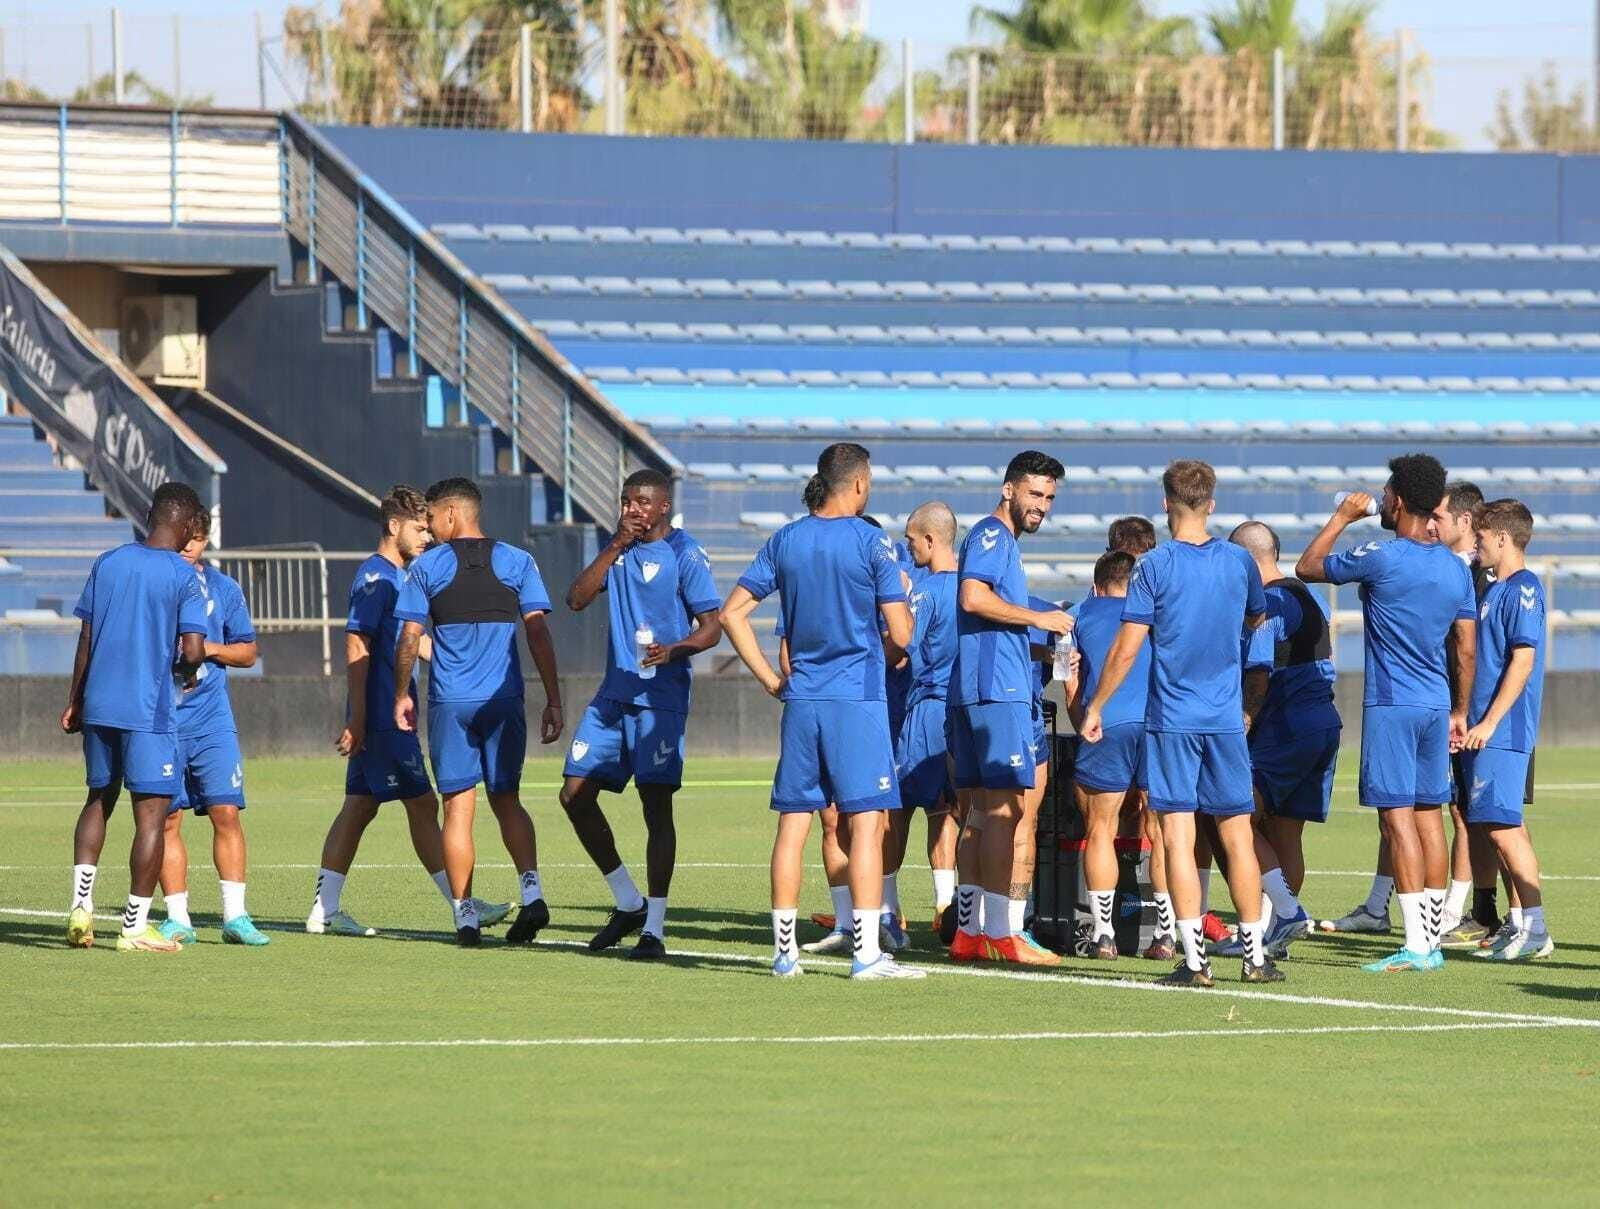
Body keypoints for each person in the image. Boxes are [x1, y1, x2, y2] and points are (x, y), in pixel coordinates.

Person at [719, 442, 923, 980]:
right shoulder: (870, 541)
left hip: (802, 699)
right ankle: (866, 953)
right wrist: (901, 611)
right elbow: (901, 634)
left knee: (793, 824)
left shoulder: (785, 539)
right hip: (856, 699)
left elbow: (732, 613)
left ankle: (784, 954)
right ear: (858, 483)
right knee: (865, 824)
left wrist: (770, 679)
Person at [1081, 460, 1280, 986]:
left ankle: (1195, 962)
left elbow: (1127, 648)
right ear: (1211, 504)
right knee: (1237, 833)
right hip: (1224, 718)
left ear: (1166, 503)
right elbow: (1257, 617)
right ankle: (1255, 957)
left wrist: (1098, 703)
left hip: (1173, 718)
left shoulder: (1154, 567)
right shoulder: (1239, 562)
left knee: (1178, 833)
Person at [1298, 453, 1475, 973]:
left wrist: (1342, 517)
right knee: (1429, 819)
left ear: (1398, 500)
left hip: (1392, 704)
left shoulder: (1381, 554)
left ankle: (1418, 946)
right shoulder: (1453, 566)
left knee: (1396, 820)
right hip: (1436, 702)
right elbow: (1465, 647)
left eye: (1386, 491)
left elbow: (1307, 568)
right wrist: (1460, 709)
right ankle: (1433, 939)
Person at [307, 486, 508, 937]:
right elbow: (357, 644)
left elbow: (411, 642)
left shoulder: (400, 578)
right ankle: (463, 905)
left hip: (382, 715)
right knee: (421, 803)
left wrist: (464, 659)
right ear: (394, 526)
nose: (427, 537)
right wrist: (358, 719)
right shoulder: (378, 579)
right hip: (381, 717)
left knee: (358, 808)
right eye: (419, 528)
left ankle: (324, 910)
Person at [394, 477, 563, 947]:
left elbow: (409, 637)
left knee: (458, 811)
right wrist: (553, 697)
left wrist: (401, 693)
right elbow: (538, 634)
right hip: (503, 701)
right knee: (507, 799)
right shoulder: (517, 561)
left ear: (451, 514)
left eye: (430, 518)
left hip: (451, 703)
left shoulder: (428, 567)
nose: (428, 528)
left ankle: (465, 916)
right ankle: (533, 894)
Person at [561, 469, 723, 961]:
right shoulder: (620, 550)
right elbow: (575, 599)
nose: (632, 509)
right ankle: (627, 901)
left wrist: (674, 650)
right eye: (626, 500)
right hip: (613, 695)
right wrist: (613, 546)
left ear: (664, 507)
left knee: (656, 808)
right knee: (574, 795)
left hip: (661, 699)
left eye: (642, 502)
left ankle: (653, 926)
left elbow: (713, 628)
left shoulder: (685, 553)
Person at [62, 482, 208, 953]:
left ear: (150, 516)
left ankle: (80, 908)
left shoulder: (107, 562)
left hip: (99, 703)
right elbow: (193, 650)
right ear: (187, 527)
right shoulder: (183, 576)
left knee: (97, 799)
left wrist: (75, 700)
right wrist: (184, 669)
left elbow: (85, 639)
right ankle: (133, 926)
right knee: (151, 818)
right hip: (148, 710)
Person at [948, 450, 1071, 967]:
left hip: (979, 689)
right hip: (996, 694)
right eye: (1034, 494)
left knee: (979, 815)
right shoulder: (993, 536)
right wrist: (1040, 619)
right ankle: (1001, 931)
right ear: (1008, 490)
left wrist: (1038, 647)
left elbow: (989, 621)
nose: (1041, 505)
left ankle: (968, 931)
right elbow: (973, 598)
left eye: (1049, 498)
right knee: (1005, 812)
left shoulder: (999, 541)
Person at [1223, 520, 1339, 959]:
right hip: (1321, 723)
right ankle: (1274, 936)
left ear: (1246, 562)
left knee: (1234, 814)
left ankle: (1283, 915)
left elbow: (1258, 665)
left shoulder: (1270, 602)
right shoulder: (1306, 598)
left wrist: (1246, 716)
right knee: (1286, 833)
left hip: (1286, 725)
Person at [155, 508, 269, 946]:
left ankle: (236, 917)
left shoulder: (224, 587)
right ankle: (178, 916)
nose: (190, 547)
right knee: (168, 820)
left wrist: (209, 649)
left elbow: (248, 652)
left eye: (198, 540)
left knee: (226, 813)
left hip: (211, 721)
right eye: (185, 538)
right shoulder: (156, 584)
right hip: (162, 719)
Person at [1463, 500, 1553, 961]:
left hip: (1504, 730)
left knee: (1504, 827)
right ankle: (1521, 927)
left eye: (1480, 536)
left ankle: (1535, 928)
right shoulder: (1494, 589)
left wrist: (1491, 721)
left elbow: (1523, 659)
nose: (1475, 543)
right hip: (1483, 728)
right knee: (1497, 826)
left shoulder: (1524, 589)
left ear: (1501, 536)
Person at [1067, 551, 1150, 960]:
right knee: (1166, 831)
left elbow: (1070, 683)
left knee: (1100, 827)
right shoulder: (1155, 611)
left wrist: (1083, 719)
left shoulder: (1079, 614)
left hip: (1107, 723)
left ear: (1097, 585)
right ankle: (1167, 934)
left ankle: (1104, 934)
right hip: (1158, 724)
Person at [892, 501, 960, 933]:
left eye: (912, 540)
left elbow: (902, 649)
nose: (909, 547)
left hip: (926, 709)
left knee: (894, 808)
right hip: (960, 713)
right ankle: (947, 910)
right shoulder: (976, 589)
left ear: (931, 540)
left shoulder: (927, 591)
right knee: (948, 811)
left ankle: (885, 909)